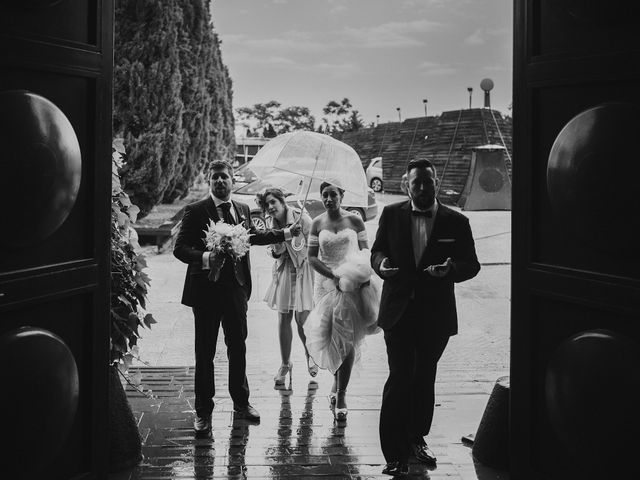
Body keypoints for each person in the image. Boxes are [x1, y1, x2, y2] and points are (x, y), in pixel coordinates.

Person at [174, 160, 302, 434]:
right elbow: (180, 248)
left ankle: (241, 403)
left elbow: (254, 236)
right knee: (205, 352)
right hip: (206, 292)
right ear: (209, 181)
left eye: (225, 177)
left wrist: (286, 233)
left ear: (233, 181)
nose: (220, 181)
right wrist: (207, 257)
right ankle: (203, 411)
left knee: (238, 348)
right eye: (215, 177)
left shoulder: (242, 209)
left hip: (236, 291)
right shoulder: (196, 211)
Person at [371, 158, 480, 476]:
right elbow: (376, 251)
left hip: (435, 316)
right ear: (407, 185)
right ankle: (393, 453)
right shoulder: (391, 214)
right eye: (415, 182)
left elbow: (471, 263)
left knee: (424, 377)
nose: (421, 187)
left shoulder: (456, 221)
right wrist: (381, 266)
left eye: (427, 181)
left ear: (436, 181)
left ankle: (417, 438)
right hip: (398, 311)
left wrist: (452, 270)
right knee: (400, 376)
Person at [303, 182, 380, 421]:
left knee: (346, 339)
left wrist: (360, 274)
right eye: (324, 195)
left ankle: (341, 394)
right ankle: (336, 383)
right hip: (326, 285)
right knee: (330, 339)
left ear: (342, 195)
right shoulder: (317, 223)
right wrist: (332, 275)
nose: (328, 199)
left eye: (333, 194)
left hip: (351, 284)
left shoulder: (355, 221)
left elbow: (367, 252)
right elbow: (312, 259)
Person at [255, 187, 318, 384]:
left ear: (282, 201)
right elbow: (275, 252)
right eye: (267, 205)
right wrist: (281, 240)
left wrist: (298, 237)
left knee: (302, 320)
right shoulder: (271, 224)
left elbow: (314, 246)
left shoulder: (302, 219)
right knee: (283, 318)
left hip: (303, 270)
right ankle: (285, 364)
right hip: (284, 270)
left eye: (273, 202)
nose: (270, 207)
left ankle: (311, 356)